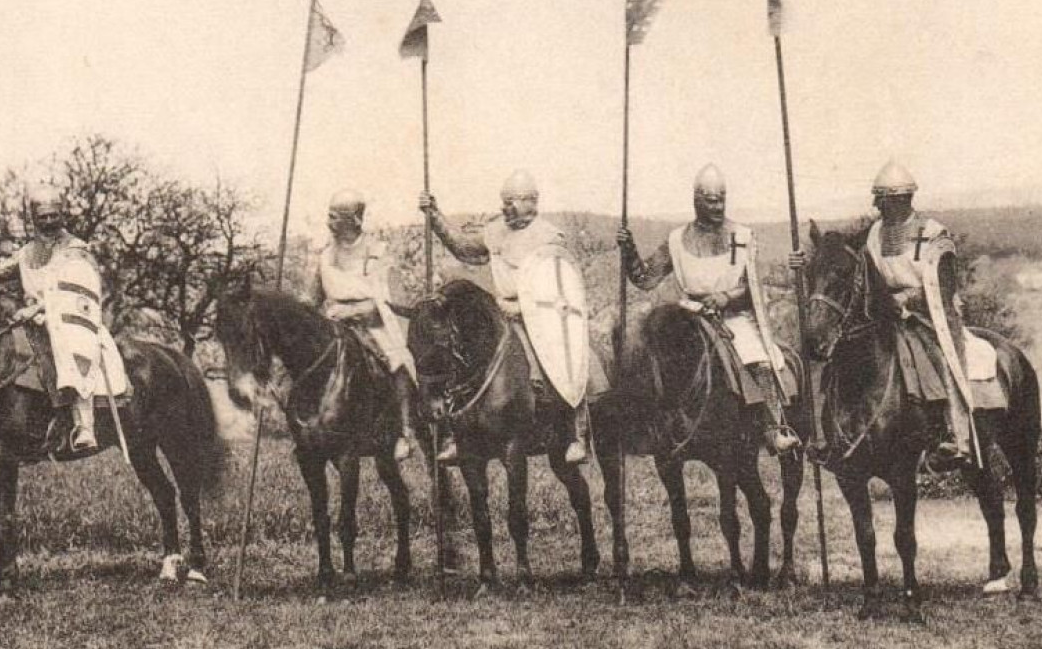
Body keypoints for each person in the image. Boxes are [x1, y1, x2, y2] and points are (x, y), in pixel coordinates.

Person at [418, 170, 605, 464]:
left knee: (569, 364)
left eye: (512, 202)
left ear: (532, 201)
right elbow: (464, 247)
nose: (506, 207)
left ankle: (576, 436)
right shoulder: (495, 232)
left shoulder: (549, 237)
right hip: (499, 312)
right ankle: (455, 435)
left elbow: (561, 284)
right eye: (504, 202)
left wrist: (525, 309)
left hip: (542, 318)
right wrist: (435, 215)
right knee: (456, 356)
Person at [0, 184, 128, 454]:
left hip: (69, 323)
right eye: (42, 217)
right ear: (34, 219)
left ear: (62, 215)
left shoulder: (76, 250)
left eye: (53, 216)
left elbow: (79, 292)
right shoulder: (27, 254)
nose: (48, 222)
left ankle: (84, 425)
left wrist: (38, 309)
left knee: (68, 352)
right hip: (32, 323)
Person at [616, 164, 800, 455]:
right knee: (646, 353)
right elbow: (645, 279)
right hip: (688, 314)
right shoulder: (676, 240)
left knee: (760, 359)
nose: (717, 206)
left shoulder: (742, 236)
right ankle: (645, 427)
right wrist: (629, 252)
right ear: (696, 200)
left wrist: (726, 298)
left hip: (732, 316)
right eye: (711, 201)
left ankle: (773, 427)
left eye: (721, 200)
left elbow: (753, 286)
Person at [860, 160, 976, 470]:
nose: (878, 208)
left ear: (900, 200)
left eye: (882, 201)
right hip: (886, 315)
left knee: (938, 359)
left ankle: (953, 435)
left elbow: (942, 283)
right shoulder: (874, 234)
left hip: (929, 316)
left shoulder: (934, 233)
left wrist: (906, 299)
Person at [301, 190, 421, 462]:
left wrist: (351, 311)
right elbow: (312, 298)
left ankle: (405, 431)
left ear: (355, 219)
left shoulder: (376, 252)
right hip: (332, 326)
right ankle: (307, 423)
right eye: (328, 216)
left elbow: (383, 300)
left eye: (335, 217)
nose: (329, 223)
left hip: (373, 324)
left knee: (399, 361)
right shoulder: (324, 255)